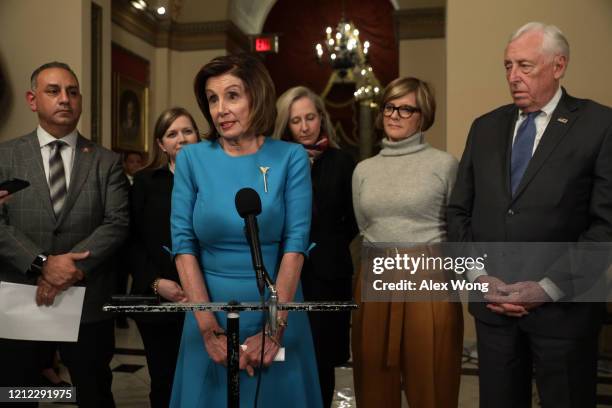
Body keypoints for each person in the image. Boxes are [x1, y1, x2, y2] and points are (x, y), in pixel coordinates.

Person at [447, 22, 612, 408]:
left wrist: (547, 288)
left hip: (565, 315)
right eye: (507, 66)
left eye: (524, 65)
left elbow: (605, 226)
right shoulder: (485, 127)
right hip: (493, 313)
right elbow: (458, 212)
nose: (513, 77)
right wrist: (478, 276)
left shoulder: (599, 125)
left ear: (558, 66)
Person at [170, 54, 322, 407]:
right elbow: (183, 245)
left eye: (233, 95)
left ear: (257, 96)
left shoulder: (291, 157)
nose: (221, 108)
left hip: (278, 308)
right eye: (212, 98)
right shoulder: (192, 159)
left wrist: (274, 330)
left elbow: (295, 245)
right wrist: (208, 329)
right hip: (207, 309)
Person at [0, 61, 129, 407]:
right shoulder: (4, 156)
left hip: (87, 302)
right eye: (53, 91)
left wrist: (68, 269)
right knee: (19, 395)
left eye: (72, 92)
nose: (65, 99)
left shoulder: (106, 161)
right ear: (32, 99)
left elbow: (116, 222)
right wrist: (43, 264)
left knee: (94, 393)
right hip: (21, 298)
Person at [351, 77, 463, 408]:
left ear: (423, 114)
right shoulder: (363, 170)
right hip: (376, 274)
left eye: (405, 108)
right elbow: (365, 225)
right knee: (373, 381)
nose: (395, 114)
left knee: (432, 381)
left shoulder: (444, 164)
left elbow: (456, 227)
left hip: (429, 276)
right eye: (389, 106)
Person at [273, 86, 358, 407]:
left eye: (311, 117)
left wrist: (326, 246)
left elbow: (353, 220)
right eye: (296, 120)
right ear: (286, 125)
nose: (306, 126)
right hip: (285, 275)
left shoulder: (341, 161)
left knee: (322, 361)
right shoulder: (275, 163)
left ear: (322, 118)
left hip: (328, 274)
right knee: (284, 355)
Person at [129, 107, 199, 407]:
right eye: (172, 134)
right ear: (161, 144)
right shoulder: (146, 182)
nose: (181, 139)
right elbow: (131, 241)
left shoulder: (213, 180)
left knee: (202, 379)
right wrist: (157, 283)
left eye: (187, 131)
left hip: (206, 296)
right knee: (165, 382)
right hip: (158, 299)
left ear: (199, 136)